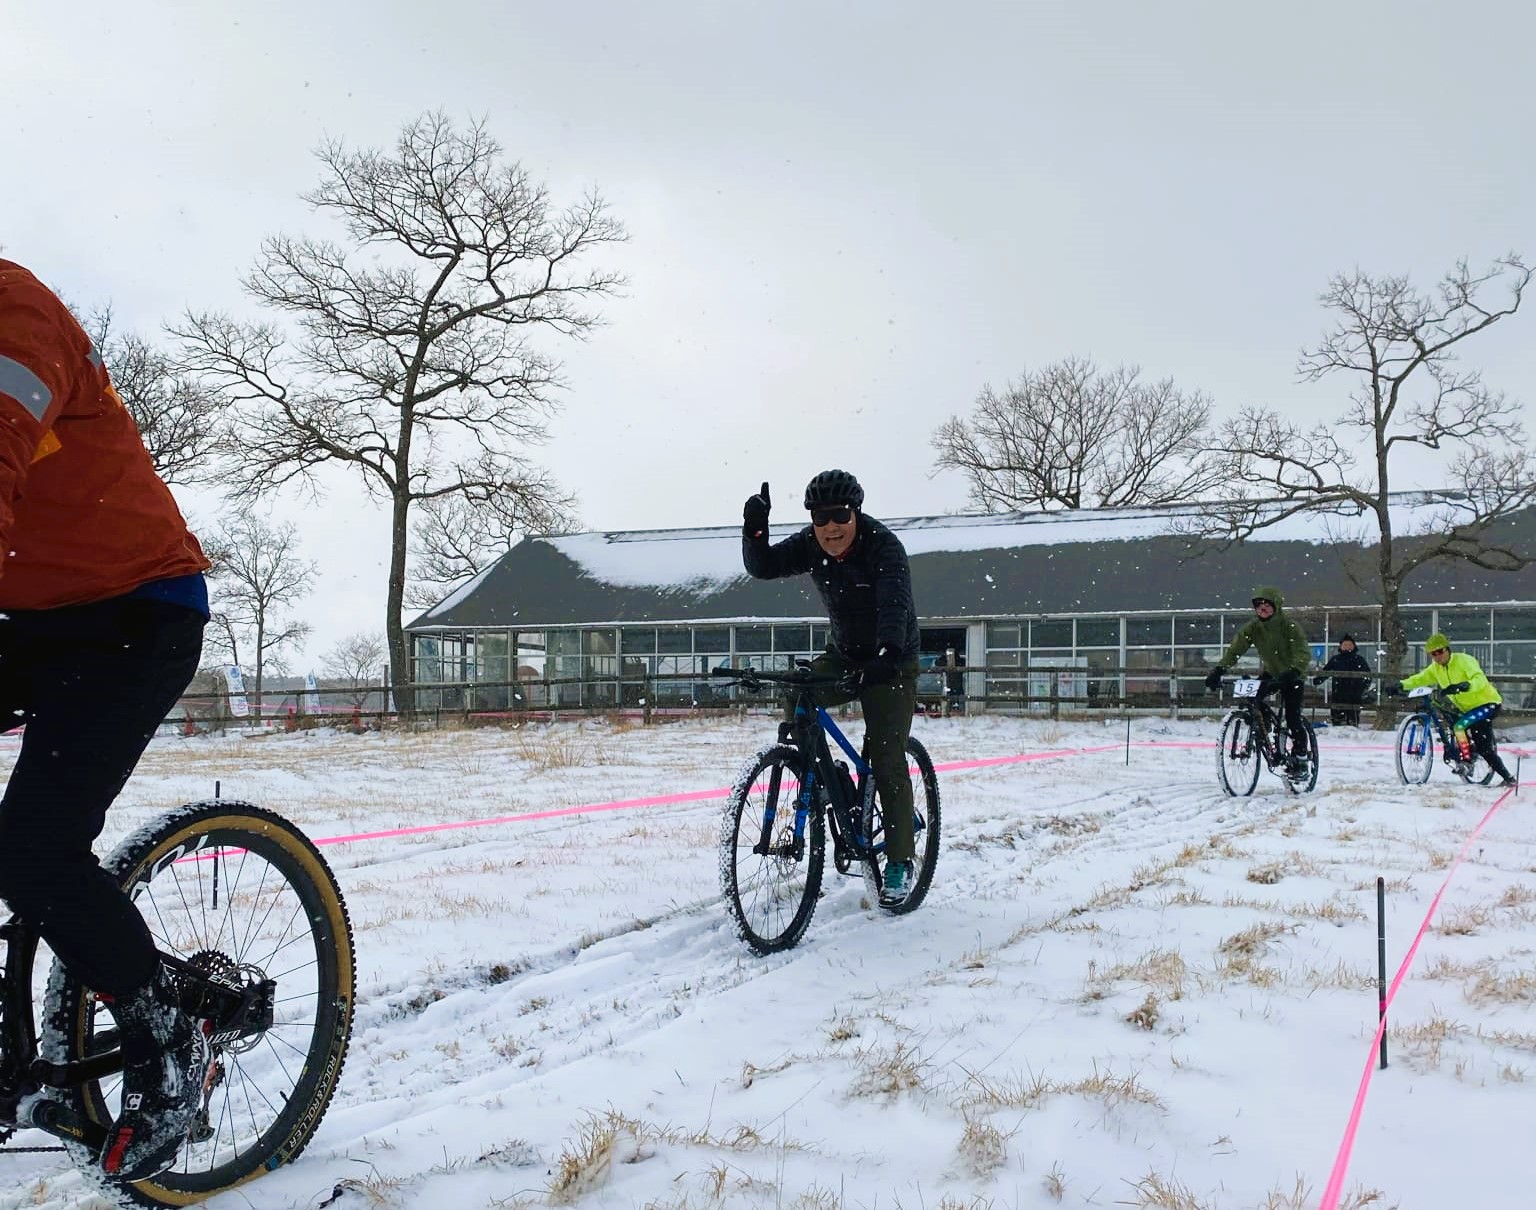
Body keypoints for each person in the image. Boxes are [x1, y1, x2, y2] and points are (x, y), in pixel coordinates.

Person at [0, 261, 212, 1180]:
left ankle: (170, 1030)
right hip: (30, 615)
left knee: (33, 850)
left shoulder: (13, 312)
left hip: (135, 611)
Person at [742, 470, 921, 905]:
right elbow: (763, 566)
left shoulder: (884, 547)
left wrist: (884, 656)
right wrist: (755, 530)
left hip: (890, 660)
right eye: (821, 517)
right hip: (843, 653)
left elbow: (895, 606)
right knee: (798, 693)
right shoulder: (810, 544)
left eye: (840, 515)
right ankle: (816, 776)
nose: (831, 527)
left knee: (883, 754)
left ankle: (899, 860)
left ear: (856, 512)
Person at [1204, 586, 1313, 768]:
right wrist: (1219, 669)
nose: (1262, 609)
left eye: (1267, 605)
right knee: (1254, 695)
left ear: (1276, 606)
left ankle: (1301, 756)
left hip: (1293, 675)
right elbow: (1236, 649)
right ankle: (1264, 727)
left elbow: (1302, 652)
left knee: (1293, 716)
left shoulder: (1290, 626)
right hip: (1271, 672)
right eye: (1259, 606)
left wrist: (1294, 670)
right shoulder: (1253, 628)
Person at [1396, 632, 1515, 787]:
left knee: (1465, 731)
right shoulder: (1436, 668)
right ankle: (1468, 754)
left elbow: (1479, 679)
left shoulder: (1464, 661)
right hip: (1466, 709)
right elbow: (1420, 678)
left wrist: (1465, 686)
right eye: (1433, 654)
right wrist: (1401, 684)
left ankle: (1476, 766)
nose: (1437, 657)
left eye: (1440, 652)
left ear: (1448, 649)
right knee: (1462, 729)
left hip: (1488, 704)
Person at [1314, 634, 1372, 727]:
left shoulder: (1359, 660)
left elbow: (1368, 675)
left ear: (1354, 646)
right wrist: (1318, 680)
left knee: (1353, 717)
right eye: (1345, 645)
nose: (1347, 647)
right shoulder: (1336, 659)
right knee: (1337, 716)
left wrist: (1363, 687)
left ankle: (1353, 731)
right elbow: (1326, 671)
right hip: (1339, 692)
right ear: (1340, 647)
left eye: (1349, 645)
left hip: (1354, 693)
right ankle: (1337, 730)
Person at [941, 645, 966, 715]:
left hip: (954, 682)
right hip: (953, 682)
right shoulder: (959, 661)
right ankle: (952, 710)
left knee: (954, 696)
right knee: (953, 696)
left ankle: (954, 710)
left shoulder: (957, 661)